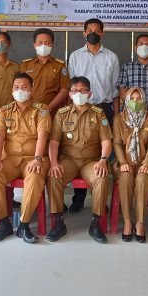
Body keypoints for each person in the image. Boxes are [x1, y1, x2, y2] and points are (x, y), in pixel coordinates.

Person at [0, 73, 50, 244]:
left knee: (35, 177)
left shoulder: (41, 109)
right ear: (12, 90)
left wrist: (37, 158)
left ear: (32, 89)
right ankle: (3, 223)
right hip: (10, 160)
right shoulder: (4, 111)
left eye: (24, 87)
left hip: (33, 159)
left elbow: (42, 135)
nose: (20, 91)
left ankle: (24, 225)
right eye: (16, 87)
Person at [46, 77, 112, 243]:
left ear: (90, 93)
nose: (79, 94)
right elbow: (54, 142)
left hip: (91, 161)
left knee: (101, 177)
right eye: (75, 91)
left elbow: (106, 141)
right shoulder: (62, 114)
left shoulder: (98, 113)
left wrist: (103, 159)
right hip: (68, 160)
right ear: (69, 94)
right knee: (53, 176)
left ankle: (95, 224)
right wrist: (53, 163)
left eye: (83, 90)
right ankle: (58, 223)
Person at [67, 18, 119, 212]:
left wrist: (116, 115)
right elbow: (72, 87)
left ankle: (100, 200)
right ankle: (78, 198)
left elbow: (115, 90)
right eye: (89, 30)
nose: (93, 33)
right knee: (80, 149)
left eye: (97, 30)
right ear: (84, 33)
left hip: (104, 108)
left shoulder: (112, 57)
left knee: (102, 152)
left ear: (102, 33)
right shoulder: (75, 56)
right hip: (80, 108)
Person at [111, 87, 148, 243]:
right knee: (125, 178)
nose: (135, 102)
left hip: (145, 163)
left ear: (143, 100)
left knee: (142, 180)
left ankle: (140, 223)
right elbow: (117, 143)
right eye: (132, 99)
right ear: (126, 100)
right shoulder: (119, 119)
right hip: (124, 162)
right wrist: (123, 162)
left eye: (139, 99)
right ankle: (127, 221)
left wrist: (146, 163)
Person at [19, 28, 69, 114]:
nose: (43, 45)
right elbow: (20, 89)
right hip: (29, 112)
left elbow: (64, 90)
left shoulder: (60, 65)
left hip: (52, 112)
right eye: (40, 42)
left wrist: (48, 109)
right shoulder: (26, 65)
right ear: (34, 45)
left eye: (47, 43)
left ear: (52, 44)